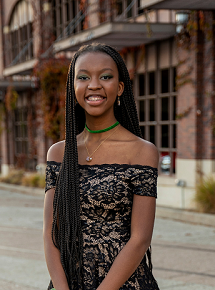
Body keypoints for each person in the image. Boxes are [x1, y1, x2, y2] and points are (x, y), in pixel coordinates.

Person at [43, 43, 160, 290]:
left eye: (105, 77)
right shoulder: (59, 153)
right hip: (68, 283)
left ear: (119, 88)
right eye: (83, 77)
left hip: (124, 284)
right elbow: (51, 234)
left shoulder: (142, 151)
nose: (94, 84)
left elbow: (140, 239)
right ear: (73, 87)